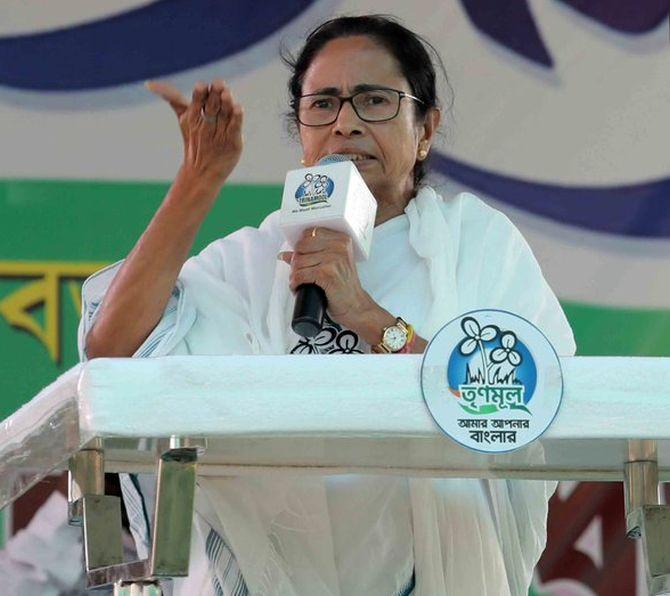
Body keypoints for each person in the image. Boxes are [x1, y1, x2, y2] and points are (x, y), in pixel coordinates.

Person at [78, 15, 575, 596]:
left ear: (425, 130)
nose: (346, 123)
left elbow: (522, 401)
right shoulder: (254, 258)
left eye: (374, 101)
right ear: (302, 131)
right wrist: (199, 177)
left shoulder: (477, 245)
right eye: (324, 105)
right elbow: (112, 350)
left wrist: (367, 316)